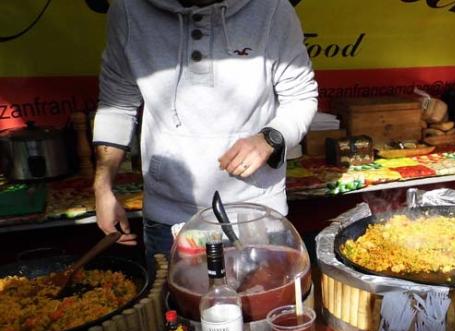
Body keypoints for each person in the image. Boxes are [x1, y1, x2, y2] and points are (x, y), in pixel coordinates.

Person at [92, 0, 318, 270]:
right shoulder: (128, 11)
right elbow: (116, 105)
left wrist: (269, 138)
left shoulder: (273, 8)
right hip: (170, 218)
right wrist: (102, 187)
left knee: (263, 307)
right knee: (176, 310)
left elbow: (301, 97)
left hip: (256, 213)